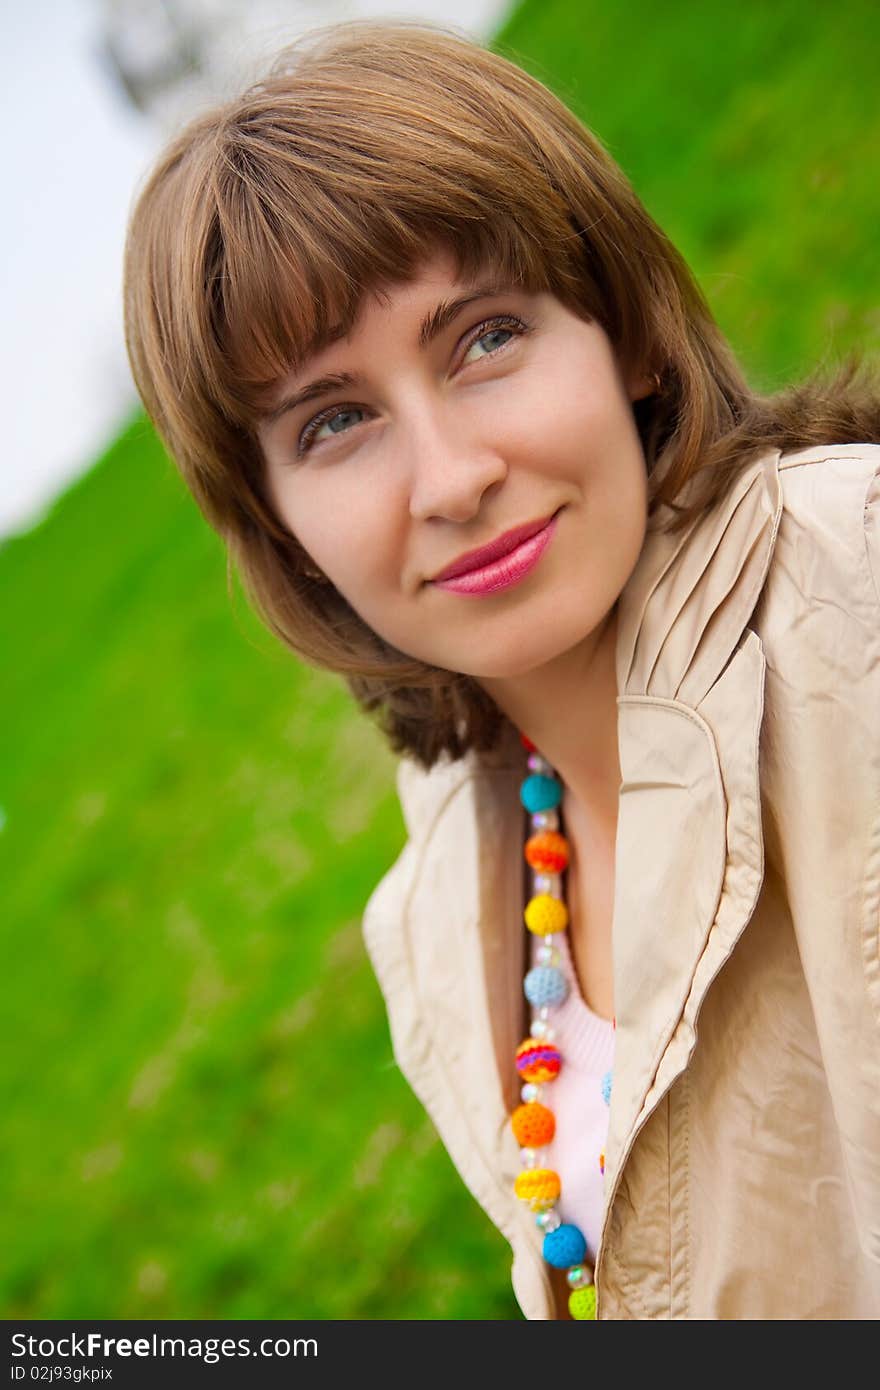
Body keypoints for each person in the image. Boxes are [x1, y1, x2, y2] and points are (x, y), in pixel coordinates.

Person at [122, 18, 880, 1319]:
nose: (453, 477)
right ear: (281, 530)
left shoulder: (851, 586)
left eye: (483, 339)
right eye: (337, 420)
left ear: (625, 330)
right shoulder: (445, 897)